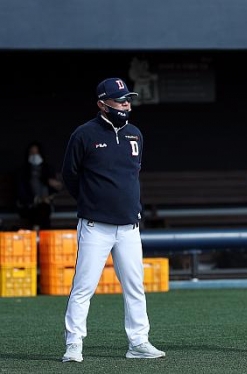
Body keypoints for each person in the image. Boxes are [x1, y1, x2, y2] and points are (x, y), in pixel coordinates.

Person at [60, 77, 165, 362]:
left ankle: (139, 342)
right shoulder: (83, 134)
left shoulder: (135, 134)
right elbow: (69, 175)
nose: (125, 104)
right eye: (119, 100)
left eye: (128, 99)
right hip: (95, 226)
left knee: (135, 286)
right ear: (102, 104)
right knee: (83, 287)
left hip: (130, 226)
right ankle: (74, 343)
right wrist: (89, 202)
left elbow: (134, 174)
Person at [16, 141, 63, 230]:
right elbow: (21, 193)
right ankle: (39, 233)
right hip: (28, 205)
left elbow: (56, 189)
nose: (34, 155)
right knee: (42, 211)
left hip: (45, 205)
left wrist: (55, 185)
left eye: (36, 153)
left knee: (44, 208)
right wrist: (37, 199)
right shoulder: (23, 171)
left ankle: (36, 230)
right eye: (32, 153)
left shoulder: (47, 169)